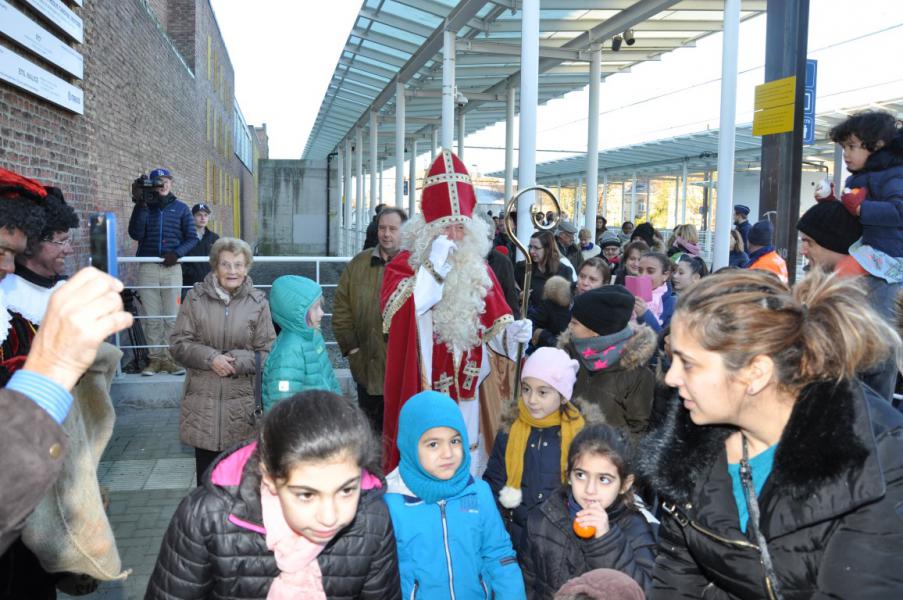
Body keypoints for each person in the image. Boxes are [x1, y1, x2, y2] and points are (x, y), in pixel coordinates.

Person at [640, 269, 903, 599]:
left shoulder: (877, 458)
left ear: (755, 373)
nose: (671, 378)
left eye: (688, 363)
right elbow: (676, 573)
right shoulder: (691, 439)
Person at [145, 391, 401, 599]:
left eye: (346, 490)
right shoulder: (205, 517)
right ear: (268, 477)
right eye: (306, 495)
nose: (329, 516)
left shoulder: (372, 519)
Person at [381, 149, 531, 473]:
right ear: (426, 231)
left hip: (470, 398)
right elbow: (403, 317)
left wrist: (512, 336)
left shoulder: (479, 270)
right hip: (426, 391)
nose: (452, 236)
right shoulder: (403, 268)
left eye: (459, 228)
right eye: (444, 228)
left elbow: (495, 333)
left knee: (469, 463)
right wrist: (433, 269)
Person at [384, 390, 526, 599]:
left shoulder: (479, 493)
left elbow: (499, 554)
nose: (448, 453)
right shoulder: (390, 503)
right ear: (410, 446)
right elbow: (381, 576)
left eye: (455, 441)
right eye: (433, 444)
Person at [170, 237, 276, 485]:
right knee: (207, 486)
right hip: (202, 407)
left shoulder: (258, 303)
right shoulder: (195, 299)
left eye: (238, 265)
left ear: (247, 268)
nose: (232, 271)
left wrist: (236, 361)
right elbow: (178, 344)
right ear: (215, 267)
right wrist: (210, 358)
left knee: (240, 487)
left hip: (242, 410)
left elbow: (268, 353)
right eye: (225, 264)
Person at [520, 424, 657, 599]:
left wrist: (606, 541)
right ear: (568, 474)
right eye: (581, 475)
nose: (590, 489)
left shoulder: (635, 528)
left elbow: (646, 593)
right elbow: (527, 582)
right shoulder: (542, 518)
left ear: (625, 484)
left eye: (604, 479)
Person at [483, 347, 588, 553]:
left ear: (563, 396)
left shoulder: (580, 436)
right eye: (526, 389)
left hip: (560, 541)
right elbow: (495, 480)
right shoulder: (510, 429)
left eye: (542, 392)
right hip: (516, 538)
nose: (531, 400)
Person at [797, 200, 898, 401]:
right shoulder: (839, 288)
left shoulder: (874, 295)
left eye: (809, 242)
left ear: (835, 243)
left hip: (857, 420)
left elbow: (873, 364)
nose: (803, 250)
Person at [334, 207, 407, 434]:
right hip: (366, 368)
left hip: (402, 372)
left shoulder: (414, 266)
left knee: (399, 433)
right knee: (370, 434)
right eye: (382, 228)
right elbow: (341, 310)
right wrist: (352, 350)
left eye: (393, 229)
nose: (386, 234)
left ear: (403, 231)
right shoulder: (358, 264)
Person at [1, 188, 78, 386]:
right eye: (60, 241)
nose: (68, 249)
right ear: (31, 244)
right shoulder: (9, 303)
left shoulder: (65, 290)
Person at [559, 287, 656, 439]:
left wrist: (611, 454)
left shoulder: (637, 373)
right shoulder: (569, 353)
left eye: (575, 323)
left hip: (604, 455)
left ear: (596, 331)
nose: (569, 327)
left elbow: (638, 430)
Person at [128, 168, 198, 376]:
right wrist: (140, 204)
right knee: (152, 316)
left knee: (171, 315)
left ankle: (171, 359)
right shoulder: (145, 206)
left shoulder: (182, 208)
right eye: (158, 181)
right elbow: (135, 233)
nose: (163, 184)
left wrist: (177, 253)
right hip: (148, 268)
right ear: (152, 184)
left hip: (172, 269)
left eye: (166, 180)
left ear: (171, 183)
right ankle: (155, 359)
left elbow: (192, 237)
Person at [825, 110, 903, 282]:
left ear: (878, 145)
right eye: (843, 146)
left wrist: (861, 208)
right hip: (872, 249)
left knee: (844, 273)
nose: (845, 153)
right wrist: (830, 202)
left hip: (893, 255)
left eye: (851, 146)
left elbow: (899, 211)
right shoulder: (860, 178)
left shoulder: (895, 175)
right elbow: (852, 213)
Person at [262, 275, 340, 411]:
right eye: (315, 308)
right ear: (296, 313)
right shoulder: (288, 353)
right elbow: (280, 408)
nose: (322, 313)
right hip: (305, 429)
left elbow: (329, 378)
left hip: (324, 422)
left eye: (320, 306)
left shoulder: (314, 336)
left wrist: (340, 409)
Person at [516, 230, 575, 312]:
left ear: (548, 249)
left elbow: (569, 301)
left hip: (551, 321)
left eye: (536, 248)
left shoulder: (564, 271)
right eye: (530, 247)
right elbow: (511, 291)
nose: (531, 251)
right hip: (527, 319)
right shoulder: (522, 268)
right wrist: (519, 296)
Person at [180, 203, 219, 301]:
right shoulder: (184, 237)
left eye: (205, 215)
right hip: (189, 285)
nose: (203, 218)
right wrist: (190, 272)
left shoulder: (214, 238)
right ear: (192, 217)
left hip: (210, 285)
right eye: (199, 215)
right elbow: (179, 258)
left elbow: (220, 259)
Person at [633, 252, 676, 333]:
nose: (643, 275)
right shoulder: (630, 294)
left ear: (665, 275)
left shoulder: (673, 303)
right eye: (640, 270)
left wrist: (645, 314)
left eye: (650, 271)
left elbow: (665, 340)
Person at [527, 275, 572, 353]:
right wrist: (546, 337)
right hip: (551, 351)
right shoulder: (549, 304)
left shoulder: (575, 304)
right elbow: (530, 323)